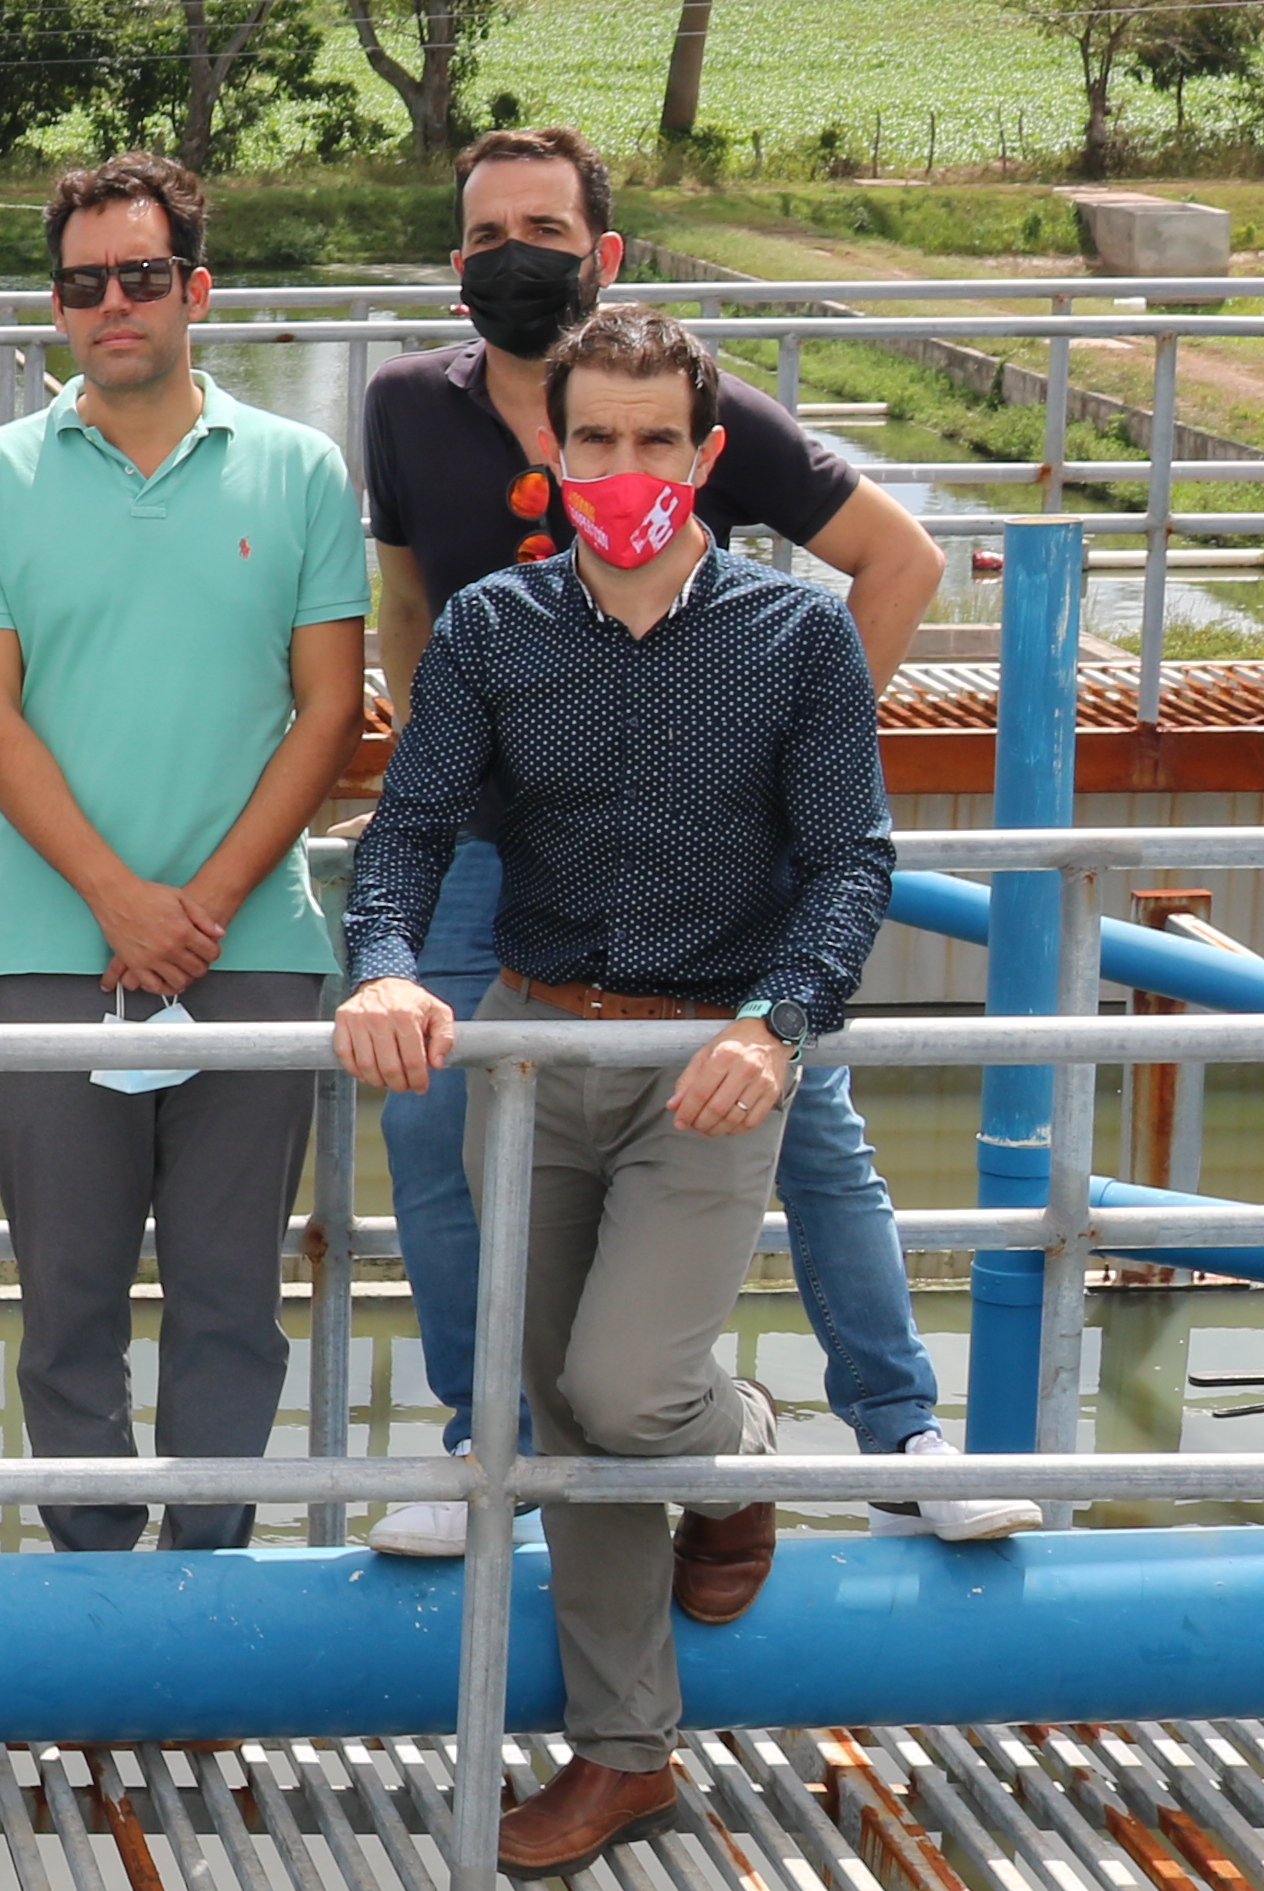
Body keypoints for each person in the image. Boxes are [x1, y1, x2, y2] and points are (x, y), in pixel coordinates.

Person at [358, 123, 1029, 1559]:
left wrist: (781, 754)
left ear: (602, 254)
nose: (508, 259)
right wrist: (447, 763)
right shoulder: (411, 404)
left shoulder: (689, 395)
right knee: (433, 1115)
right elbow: (407, 604)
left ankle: (900, 1429)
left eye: (541, 230)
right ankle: (488, 1433)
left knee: (804, 1122)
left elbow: (897, 561)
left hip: (704, 837)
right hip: (505, 837)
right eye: (482, 236)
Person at [338, 304, 886, 1878]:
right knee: (558, 1405)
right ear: (553, 452)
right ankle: (624, 1755)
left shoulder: (797, 638)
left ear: (709, 458)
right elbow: (411, 828)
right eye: (596, 439)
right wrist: (385, 963)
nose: (625, 465)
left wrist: (778, 1025)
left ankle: (745, 1442)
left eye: (658, 440)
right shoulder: (495, 631)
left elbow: (853, 862)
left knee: (638, 1393)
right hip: (536, 1038)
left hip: (710, 1061)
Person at [0, 155, 368, 1551]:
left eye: (140, 277)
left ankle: (205, 1599)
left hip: (253, 951)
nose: (111, 304)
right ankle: (98, 1607)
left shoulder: (301, 471)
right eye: (83, 283)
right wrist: (123, 903)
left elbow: (328, 711)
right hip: (47, 950)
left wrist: (206, 904)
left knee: (231, 1297)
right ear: (55, 304)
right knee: (66, 1298)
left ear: (196, 290)